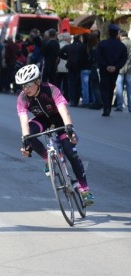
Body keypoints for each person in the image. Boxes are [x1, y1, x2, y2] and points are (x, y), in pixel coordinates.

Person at [15, 64, 94, 206]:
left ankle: (84, 189)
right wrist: (26, 142)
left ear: (37, 82)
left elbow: (64, 111)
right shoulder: (22, 98)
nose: (25, 89)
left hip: (59, 119)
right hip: (41, 119)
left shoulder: (51, 89)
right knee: (29, 137)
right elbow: (23, 121)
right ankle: (47, 159)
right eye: (22, 85)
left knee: (70, 152)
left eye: (28, 84)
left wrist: (69, 128)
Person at [97, 24, 128, 116]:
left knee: (104, 88)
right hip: (115, 70)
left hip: (104, 70)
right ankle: (108, 107)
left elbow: (99, 57)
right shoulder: (121, 46)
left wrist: (106, 66)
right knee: (111, 88)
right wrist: (116, 67)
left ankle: (106, 108)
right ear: (117, 34)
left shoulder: (102, 44)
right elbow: (124, 59)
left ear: (109, 33)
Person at [115, 30, 131, 112]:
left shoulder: (121, 44)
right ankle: (130, 107)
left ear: (120, 36)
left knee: (119, 88)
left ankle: (119, 106)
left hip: (120, 68)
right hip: (129, 69)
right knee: (129, 89)